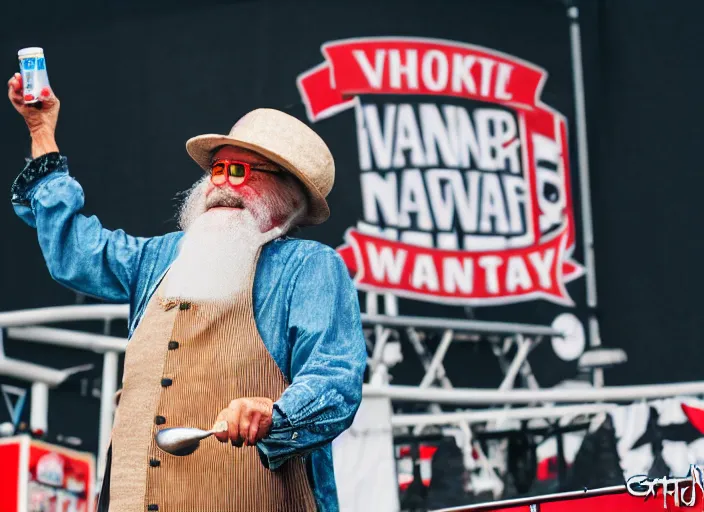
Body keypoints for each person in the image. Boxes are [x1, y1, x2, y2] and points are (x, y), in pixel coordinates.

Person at [7, 72, 367, 512]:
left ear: (288, 196)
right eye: (218, 169)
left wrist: (276, 415)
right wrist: (42, 132)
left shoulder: (308, 267)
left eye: (240, 172)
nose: (221, 184)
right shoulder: (158, 258)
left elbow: (336, 381)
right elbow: (76, 252)